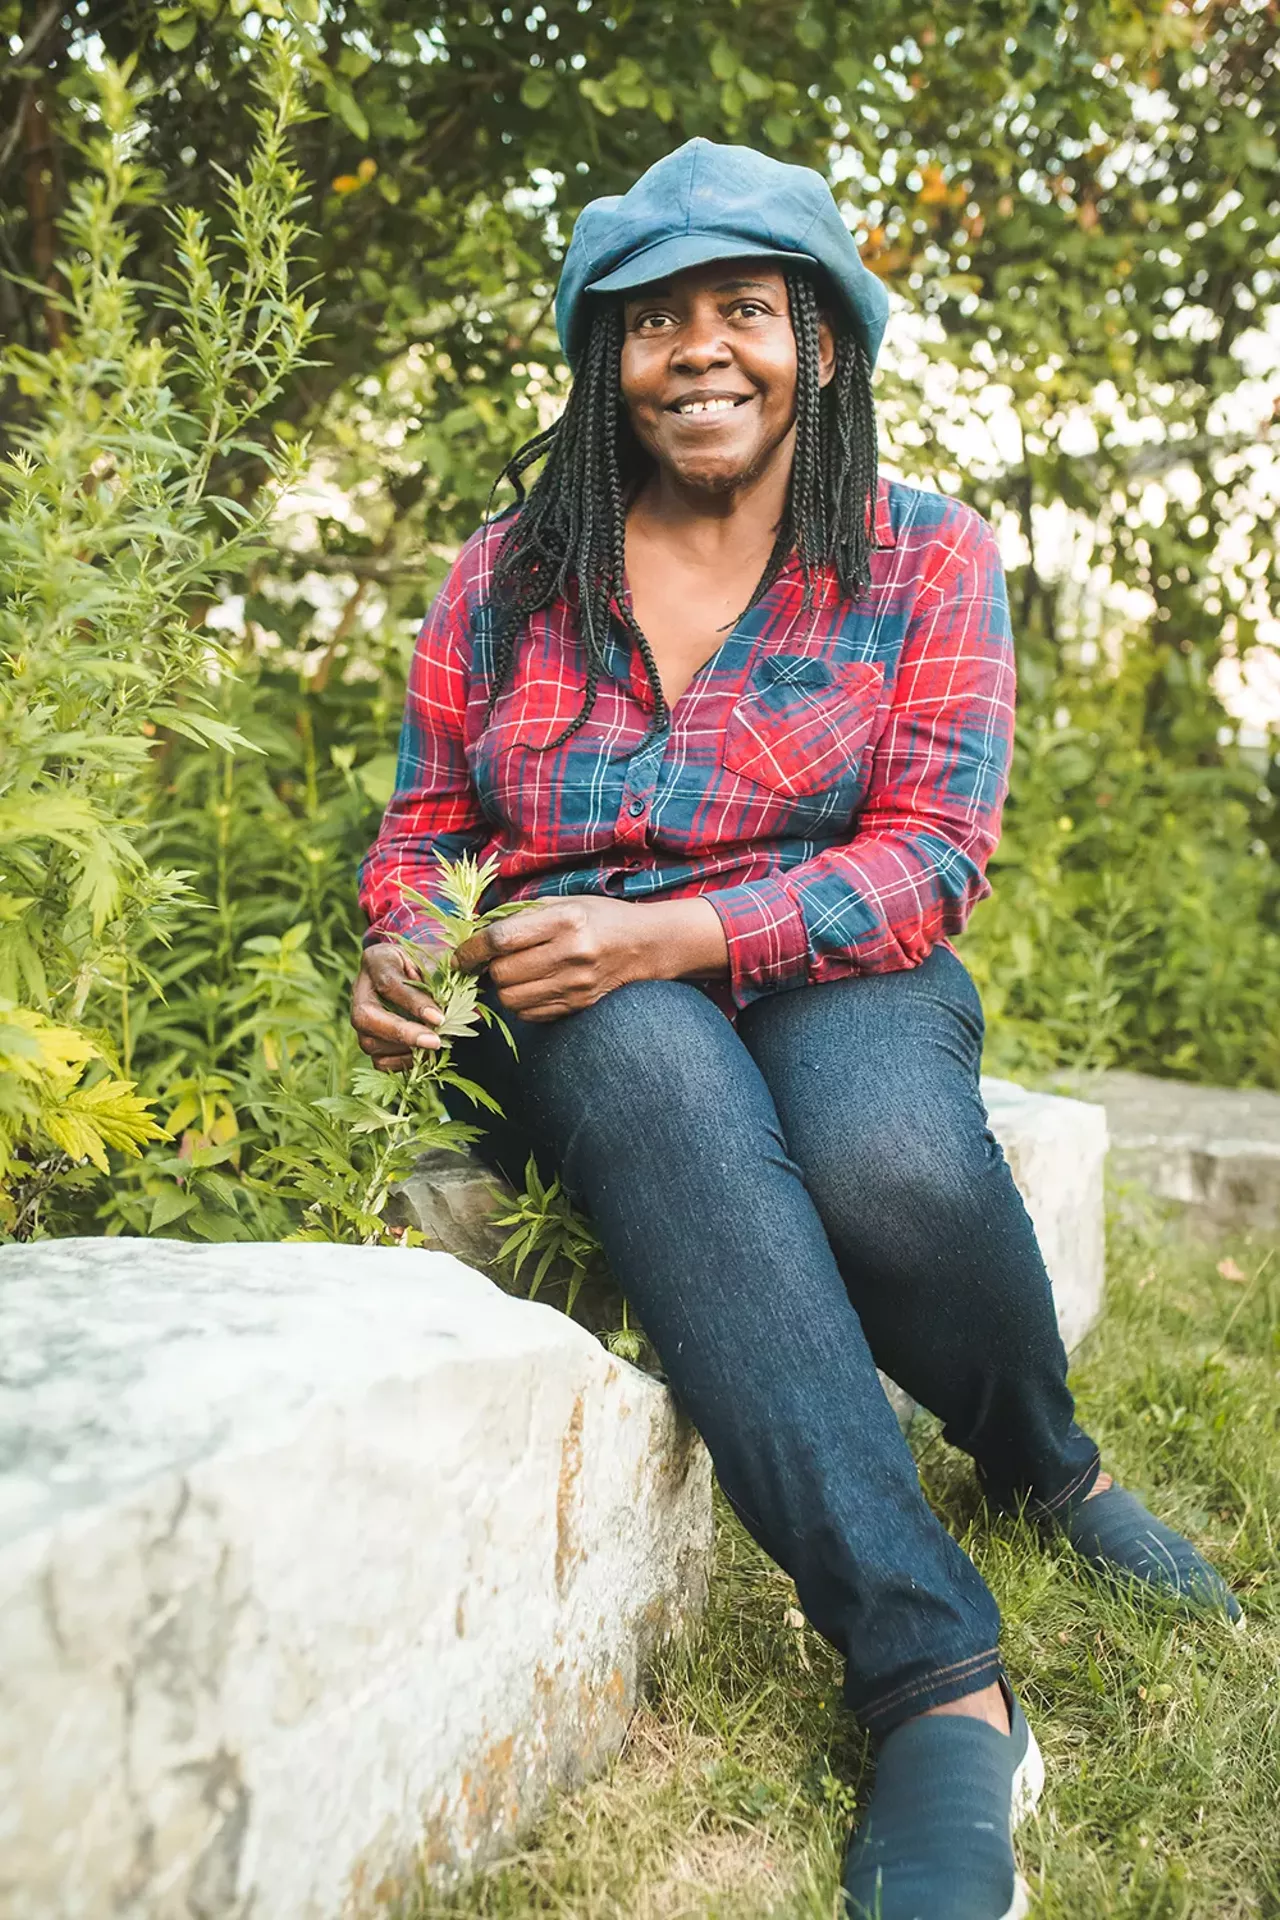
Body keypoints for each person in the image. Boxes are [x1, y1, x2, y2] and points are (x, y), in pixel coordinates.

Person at [353, 140, 1239, 1920]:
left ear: (819, 343)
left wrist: (680, 928)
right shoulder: (508, 573)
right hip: (577, 997)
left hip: (833, 955)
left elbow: (930, 853)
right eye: (654, 317)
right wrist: (401, 940)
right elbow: (428, 819)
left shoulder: (924, 555)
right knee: (664, 1097)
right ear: (605, 358)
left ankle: (1045, 1463)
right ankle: (935, 1682)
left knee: (893, 1160)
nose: (701, 348)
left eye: (744, 308)